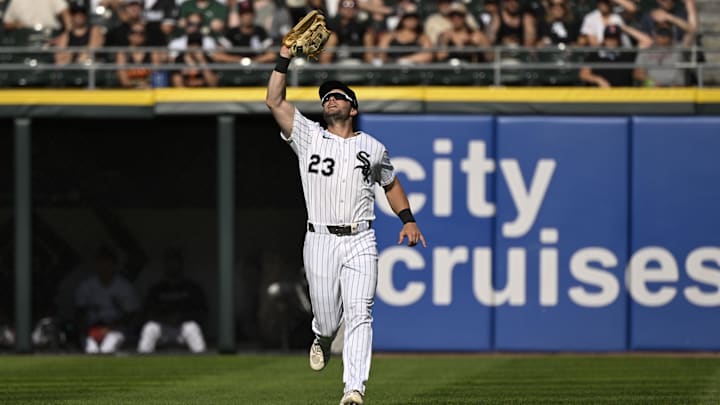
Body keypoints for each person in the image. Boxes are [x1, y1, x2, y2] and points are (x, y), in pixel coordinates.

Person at [266, 43, 427, 405]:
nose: (330, 100)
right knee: (326, 318)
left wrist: (408, 219)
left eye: (338, 96)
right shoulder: (309, 136)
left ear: (352, 108)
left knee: (360, 313)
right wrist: (284, 57)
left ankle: (354, 390)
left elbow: (391, 182)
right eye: (326, 97)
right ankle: (322, 337)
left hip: (360, 238)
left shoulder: (373, 147)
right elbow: (274, 102)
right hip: (320, 238)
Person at [137, 248, 207, 353]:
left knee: (192, 327)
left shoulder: (192, 288)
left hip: (183, 328)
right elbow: (147, 313)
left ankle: (203, 360)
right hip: (162, 328)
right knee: (149, 328)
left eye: (175, 262)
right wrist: (165, 319)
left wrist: (181, 317)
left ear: (181, 264)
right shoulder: (157, 289)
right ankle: (141, 361)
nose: (172, 265)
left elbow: (202, 312)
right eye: (169, 262)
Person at [74, 245, 141, 354]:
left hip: (115, 329)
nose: (104, 267)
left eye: (107, 263)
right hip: (92, 329)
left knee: (107, 349)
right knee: (91, 350)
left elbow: (132, 315)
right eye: (100, 263)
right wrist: (84, 329)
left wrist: (111, 327)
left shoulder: (124, 286)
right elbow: (79, 311)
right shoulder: (86, 286)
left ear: (114, 265)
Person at [579, 23, 652, 87]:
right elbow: (584, 74)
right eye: (609, 38)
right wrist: (598, 80)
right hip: (600, 95)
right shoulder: (595, 54)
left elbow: (647, 41)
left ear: (619, 39)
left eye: (615, 38)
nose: (612, 42)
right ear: (604, 39)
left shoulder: (626, 53)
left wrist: (623, 27)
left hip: (624, 95)